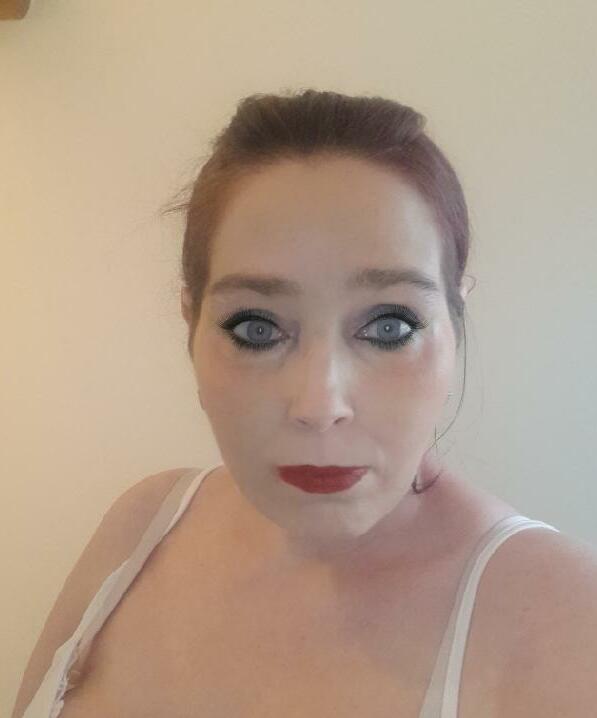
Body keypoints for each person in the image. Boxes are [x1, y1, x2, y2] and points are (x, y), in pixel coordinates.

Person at [13, 89, 597, 718]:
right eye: (256, 328)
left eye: (391, 326)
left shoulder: (566, 622)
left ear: (454, 325)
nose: (320, 406)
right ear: (191, 324)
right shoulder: (142, 526)